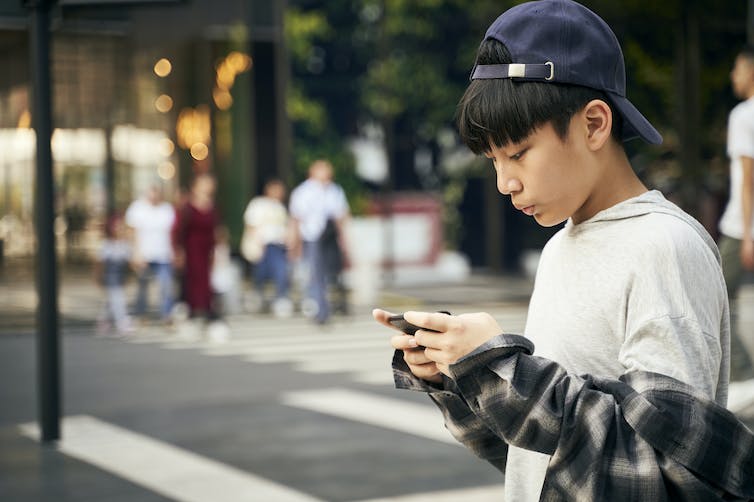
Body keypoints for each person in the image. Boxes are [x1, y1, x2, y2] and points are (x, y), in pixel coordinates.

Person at [374, 1, 753, 499]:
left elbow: (667, 473)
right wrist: (463, 378)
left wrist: (505, 369)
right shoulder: (559, 249)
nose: (504, 182)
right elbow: (538, 456)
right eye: (492, 160)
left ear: (595, 124)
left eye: (518, 153)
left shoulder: (664, 247)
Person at [719, 45, 754, 383]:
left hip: (740, 226)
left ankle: (742, 369)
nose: (734, 76)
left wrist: (746, 234)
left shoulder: (744, 115)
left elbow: (748, 180)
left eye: (738, 69)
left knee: (718, 298)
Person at [289, 159, 350, 324]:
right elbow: (296, 218)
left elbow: (341, 216)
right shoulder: (303, 192)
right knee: (316, 274)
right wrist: (294, 243)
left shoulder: (334, 190)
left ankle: (331, 305)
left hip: (330, 237)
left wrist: (345, 240)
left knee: (332, 273)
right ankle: (321, 309)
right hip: (312, 237)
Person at [172, 173, 221, 323]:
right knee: (193, 278)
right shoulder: (187, 206)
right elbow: (178, 230)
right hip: (192, 248)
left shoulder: (212, 206)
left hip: (207, 248)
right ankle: (193, 308)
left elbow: (216, 229)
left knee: (206, 278)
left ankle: (205, 307)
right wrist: (178, 251)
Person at [124, 183, 175, 324]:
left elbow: (172, 233)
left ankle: (167, 315)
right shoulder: (138, 208)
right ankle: (141, 315)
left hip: (163, 254)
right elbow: (131, 232)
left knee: (165, 285)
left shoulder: (167, 209)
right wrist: (135, 252)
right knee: (142, 287)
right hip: (144, 255)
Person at [242, 178, 293, 317]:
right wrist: (255, 242)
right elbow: (251, 224)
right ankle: (257, 297)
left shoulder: (281, 207)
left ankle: (281, 299)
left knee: (281, 273)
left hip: (279, 245)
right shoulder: (258, 204)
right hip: (263, 245)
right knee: (260, 274)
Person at [95, 213, 134, 336]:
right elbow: (99, 264)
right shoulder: (106, 245)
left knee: (111, 301)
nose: (119, 229)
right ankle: (122, 321)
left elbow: (128, 263)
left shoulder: (125, 245)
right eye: (117, 227)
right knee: (118, 299)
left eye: (121, 227)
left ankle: (104, 319)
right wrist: (98, 278)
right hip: (110, 277)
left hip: (120, 276)